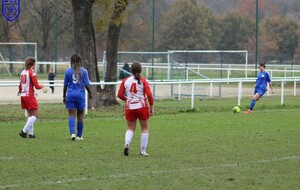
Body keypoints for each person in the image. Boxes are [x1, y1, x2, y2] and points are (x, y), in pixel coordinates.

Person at [118, 62, 154, 156]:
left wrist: (127, 100)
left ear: (131, 71)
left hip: (130, 107)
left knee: (130, 128)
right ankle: (142, 151)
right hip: (142, 106)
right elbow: (149, 94)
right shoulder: (143, 81)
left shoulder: (125, 81)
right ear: (140, 70)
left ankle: (127, 143)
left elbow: (119, 94)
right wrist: (152, 107)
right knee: (145, 129)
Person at [63, 53, 92, 140]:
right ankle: (79, 135)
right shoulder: (84, 71)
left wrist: (64, 96)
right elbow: (87, 85)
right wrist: (90, 93)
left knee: (71, 115)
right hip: (80, 96)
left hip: (70, 95)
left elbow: (65, 85)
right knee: (80, 115)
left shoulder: (68, 71)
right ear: (80, 61)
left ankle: (72, 134)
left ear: (71, 61)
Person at [18, 57, 44, 138]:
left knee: (30, 115)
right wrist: (42, 86)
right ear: (33, 64)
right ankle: (24, 131)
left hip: (23, 95)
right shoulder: (32, 72)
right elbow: (36, 86)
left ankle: (31, 134)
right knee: (35, 115)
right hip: (29, 96)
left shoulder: (23, 72)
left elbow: (20, 85)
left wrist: (21, 91)